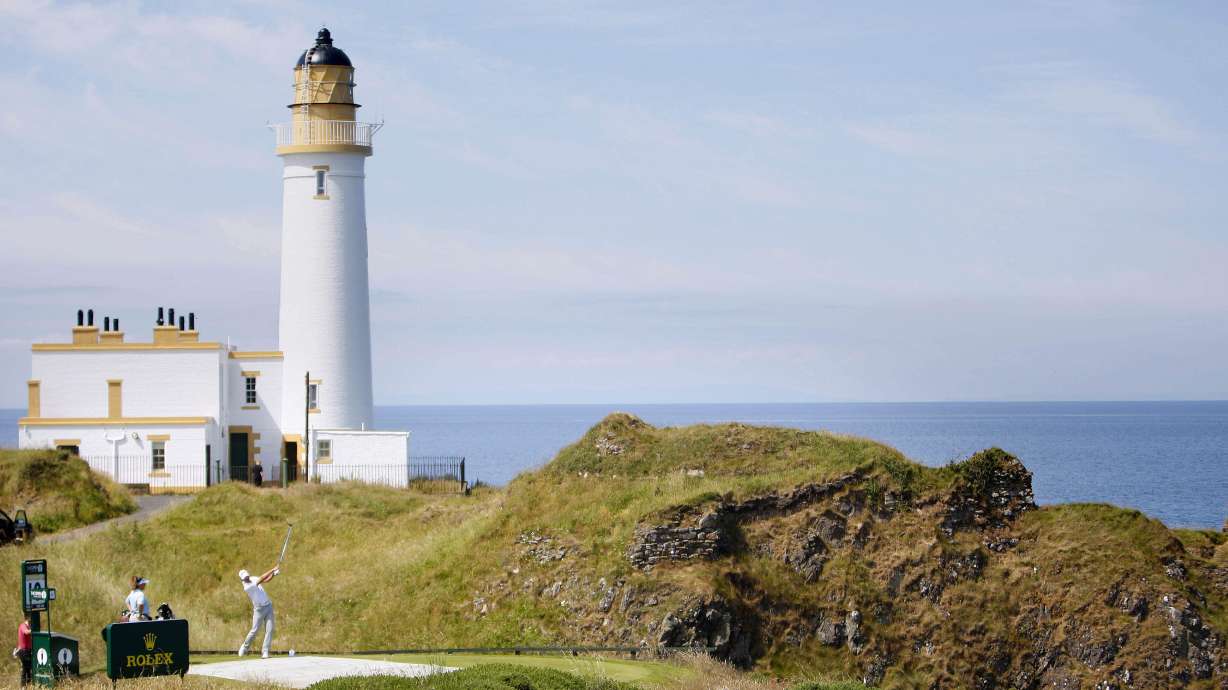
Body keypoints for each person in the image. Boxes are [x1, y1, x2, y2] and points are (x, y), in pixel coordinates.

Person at [237, 565, 280, 658]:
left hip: (268, 606)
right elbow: (261, 578)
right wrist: (273, 569)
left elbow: (265, 580)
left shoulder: (253, 578)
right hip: (259, 610)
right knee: (254, 630)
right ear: (242, 580)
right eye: (245, 578)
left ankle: (265, 651)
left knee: (270, 629)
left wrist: (273, 575)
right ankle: (245, 646)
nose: (247, 578)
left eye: (247, 576)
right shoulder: (247, 587)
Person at [13, 614, 31, 686]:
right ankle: (24, 686)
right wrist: (34, 629)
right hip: (24, 651)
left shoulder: (28, 626)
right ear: (28, 618)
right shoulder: (23, 626)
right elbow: (26, 632)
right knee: (26, 669)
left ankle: (27, 685)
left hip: (27, 651)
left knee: (27, 669)